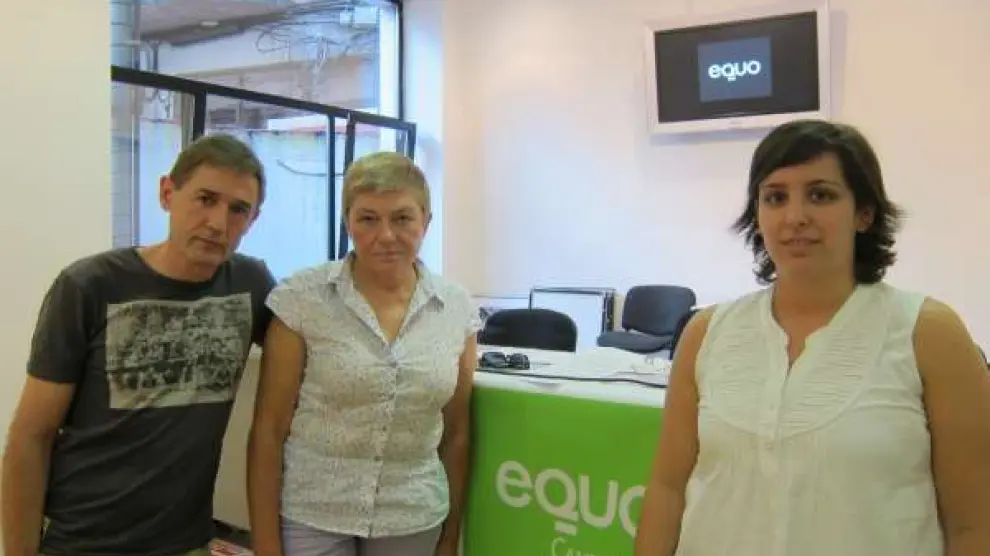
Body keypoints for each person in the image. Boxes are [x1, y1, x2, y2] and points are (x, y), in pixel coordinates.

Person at [634, 119, 990, 556]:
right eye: (775, 197)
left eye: (820, 195)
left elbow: (974, 524)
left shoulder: (927, 333)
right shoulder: (707, 333)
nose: (795, 217)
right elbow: (668, 489)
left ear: (864, 213)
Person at [1, 133, 276, 556]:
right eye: (205, 199)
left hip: (185, 543)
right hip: (82, 542)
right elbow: (31, 436)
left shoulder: (250, 285)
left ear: (253, 218)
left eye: (238, 209)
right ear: (167, 193)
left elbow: (312, 352)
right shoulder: (89, 286)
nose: (218, 223)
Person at [247, 152, 479, 556]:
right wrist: (266, 545)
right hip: (313, 510)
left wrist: (450, 535)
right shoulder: (301, 299)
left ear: (426, 221)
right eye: (368, 218)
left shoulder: (456, 309)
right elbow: (269, 430)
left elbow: (456, 433)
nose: (385, 235)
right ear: (348, 223)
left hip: (412, 512)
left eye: (402, 218)